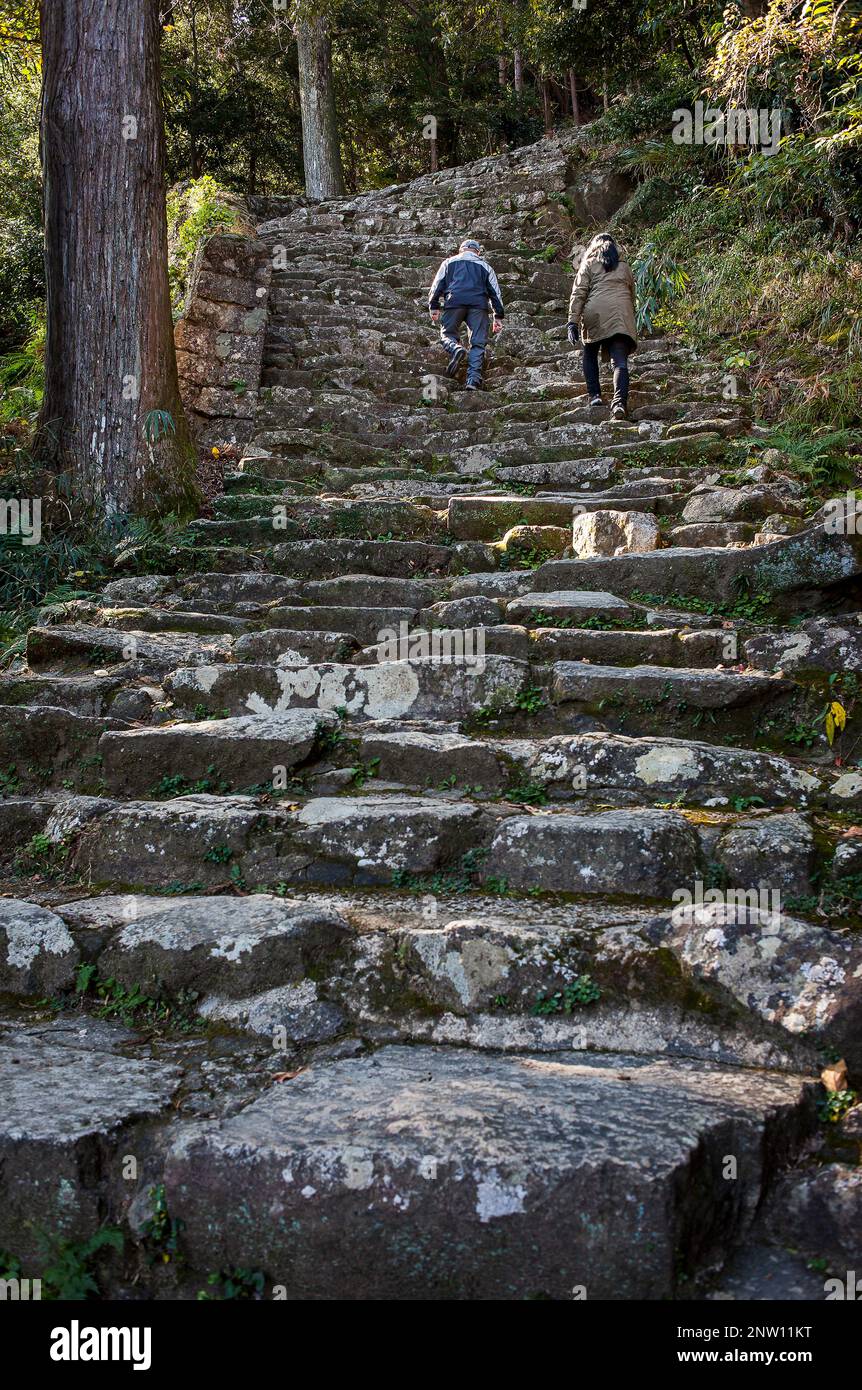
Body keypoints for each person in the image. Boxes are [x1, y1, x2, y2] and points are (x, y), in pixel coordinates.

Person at [566, 233, 637, 420]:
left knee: (590, 352)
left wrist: (572, 321)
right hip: (621, 313)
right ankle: (619, 403)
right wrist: (631, 317)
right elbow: (632, 294)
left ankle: (595, 395)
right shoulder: (624, 267)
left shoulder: (588, 264)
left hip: (595, 312)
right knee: (620, 362)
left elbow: (578, 293)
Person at [428, 238, 504, 390]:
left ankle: (455, 348)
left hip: (454, 301)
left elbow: (437, 285)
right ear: (478, 252)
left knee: (447, 334)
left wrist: (434, 305)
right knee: (478, 342)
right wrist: (498, 316)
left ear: (461, 249)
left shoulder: (448, 263)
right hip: (478, 306)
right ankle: (473, 380)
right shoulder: (486, 266)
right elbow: (495, 293)